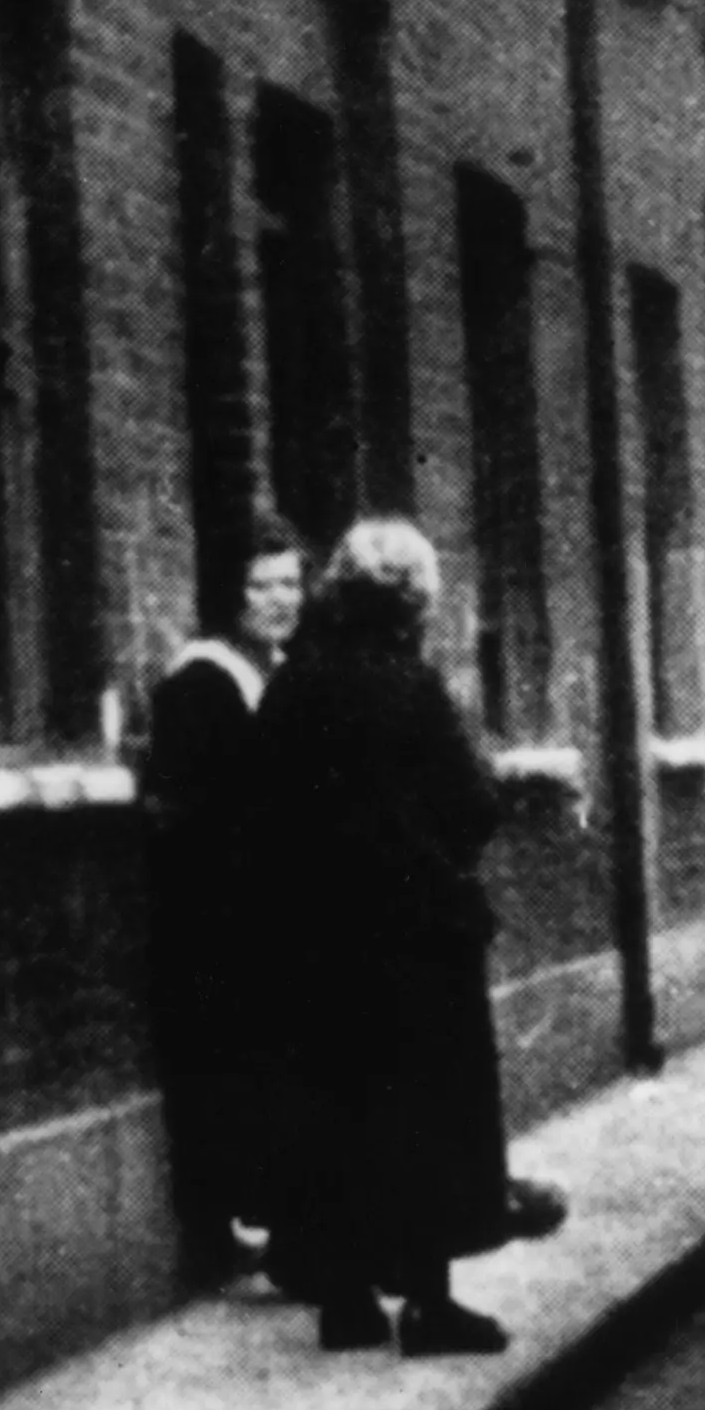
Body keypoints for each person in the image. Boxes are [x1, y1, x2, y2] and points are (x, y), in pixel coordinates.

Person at [251, 518, 517, 1358]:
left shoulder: (294, 684)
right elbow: (472, 804)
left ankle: (346, 1301)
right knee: (427, 1115)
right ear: (412, 601)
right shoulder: (411, 686)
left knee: (333, 1108)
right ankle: (429, 1306)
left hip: (313, 941)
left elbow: (261, 815)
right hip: (415, 942)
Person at [140, 511, 308, 1284]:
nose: (281, 599)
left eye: (290, 582)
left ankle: (287, 1219)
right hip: (226, 926)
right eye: (261, 584)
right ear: (230, 595)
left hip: (275, 921)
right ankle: (245, 1223)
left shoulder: (278, 674)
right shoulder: (202, 684)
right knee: (237, 1076)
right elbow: (204, 818)